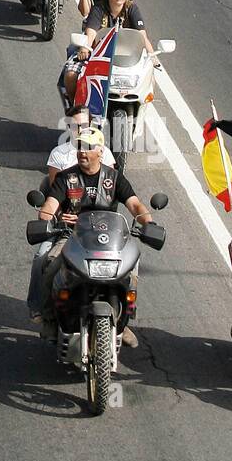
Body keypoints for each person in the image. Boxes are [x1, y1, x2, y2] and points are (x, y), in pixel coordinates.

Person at [32, 135, 153, 340]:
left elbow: (135, 205)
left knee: (131, 271)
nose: (82, 152)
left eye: (88, 147)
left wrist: (148, 223)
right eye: (80, 147)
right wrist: (57, 216)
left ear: (101, 152)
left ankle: (123, 320)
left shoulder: (114, 178)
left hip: (110, 240)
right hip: (73, 237)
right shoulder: (65, 178)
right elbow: (48, 208)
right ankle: (49, 317)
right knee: (49, 263)